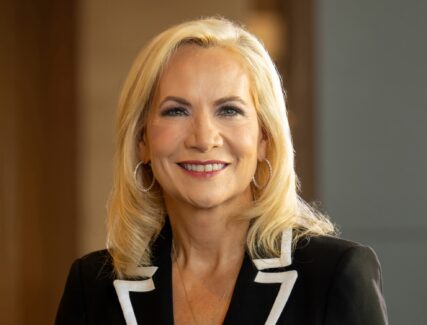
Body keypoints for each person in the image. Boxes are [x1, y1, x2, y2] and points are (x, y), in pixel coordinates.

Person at [56, 17, 388, 325]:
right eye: (176, 111)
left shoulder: (335, 275)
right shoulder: (94, 287)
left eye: (229, 109)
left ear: (264, 138)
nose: (203, 138)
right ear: (141, 140)